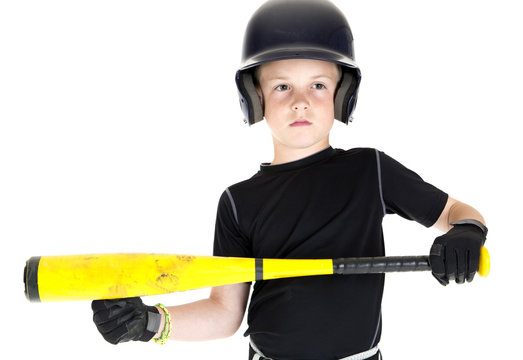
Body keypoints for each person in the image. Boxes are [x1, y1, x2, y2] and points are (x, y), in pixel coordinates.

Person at [91, 1, 488, 359]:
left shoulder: (371, 171)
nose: (300, 101)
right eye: (282, 86)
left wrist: (467, 231)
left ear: (342, 94)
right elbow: (225, 314)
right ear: (255, 97)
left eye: (318, 85)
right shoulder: (238, 201)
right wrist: (148, 323)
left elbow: (455, 211)